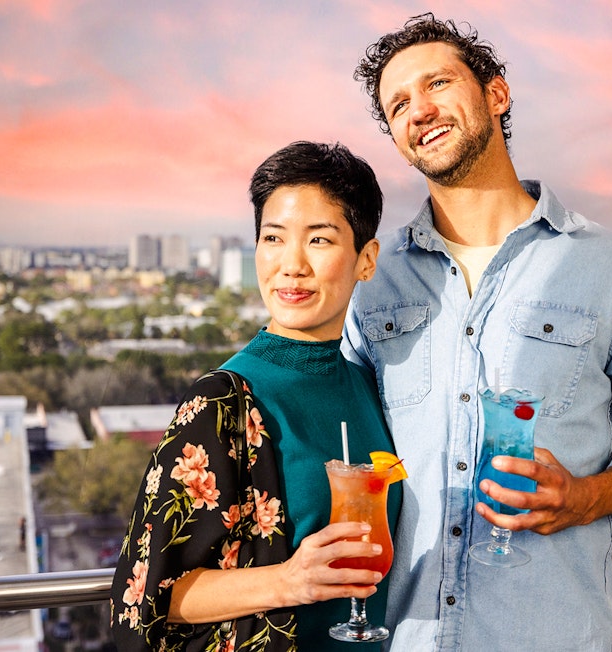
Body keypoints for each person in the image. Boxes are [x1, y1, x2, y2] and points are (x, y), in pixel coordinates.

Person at [342, 14, 612, 651]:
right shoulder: (372, 280)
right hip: (401, 639)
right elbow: (336, 435)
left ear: (496, 94)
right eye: (398, 104)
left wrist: (588, 496)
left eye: (437, 85)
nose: (419, 110)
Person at [110, 141, 402, 651]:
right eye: (273, 238)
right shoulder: (224, 400)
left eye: (319, 240)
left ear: (366, 260)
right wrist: (290, 581)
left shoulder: (368, 384)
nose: (291, 265)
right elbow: (144, 596)